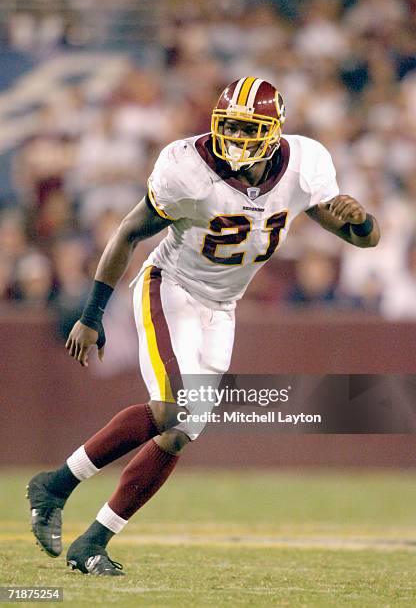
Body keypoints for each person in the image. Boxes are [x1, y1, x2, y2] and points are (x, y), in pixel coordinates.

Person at [27, 77, 380, 576]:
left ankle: (93, 541)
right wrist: (91, 314)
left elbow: (364, 239)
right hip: (170, 286)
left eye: (247, 128)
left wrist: (361, 221)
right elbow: (128, 232)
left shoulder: (304, 165)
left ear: (273, 131)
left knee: (183, 428)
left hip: (223, 305)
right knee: (174, 407)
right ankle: (55, 486)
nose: (234, 137)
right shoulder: (186, 167)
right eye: (229, 125)